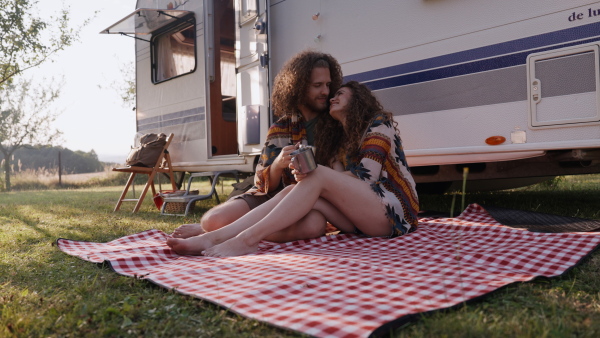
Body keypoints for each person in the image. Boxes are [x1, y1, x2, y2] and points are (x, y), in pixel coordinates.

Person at [166, 81, 420, 257]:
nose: (332, 96)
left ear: (358, 99)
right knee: (297, 188)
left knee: (316, 176)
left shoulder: (378, 122)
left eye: (340, 93)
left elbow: (367, 177)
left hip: (394, 212)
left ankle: (246, 240)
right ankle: (215, 237)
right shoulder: (342, 137)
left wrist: (321, 177)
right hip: (364, 219)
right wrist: (308, 179)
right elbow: (341, 180)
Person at [171, 50, 344, 242]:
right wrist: (278, 164)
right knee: (212, 220)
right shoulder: (281, 127)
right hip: (271, 197)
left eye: (328, 85)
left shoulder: (335, 124)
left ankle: (222, 234)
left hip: (310, 203)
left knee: (314, 226)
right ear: (299, 87)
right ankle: (216, 230)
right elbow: (262, 183)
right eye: (317, 85)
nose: (326, 92)